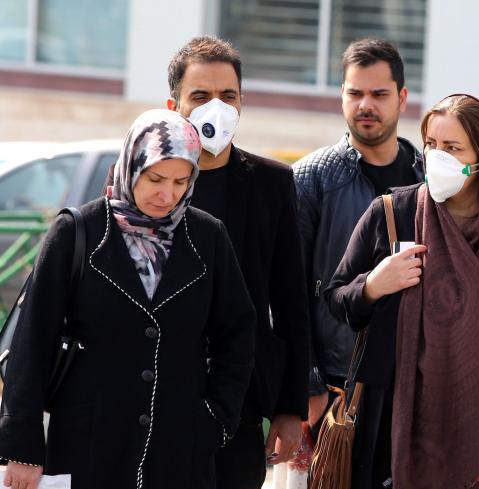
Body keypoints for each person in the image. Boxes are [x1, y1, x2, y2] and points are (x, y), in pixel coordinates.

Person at [0, 109, 255, 489]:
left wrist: (216, 419)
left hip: (178, 451)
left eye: (180, 181)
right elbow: (32, 340)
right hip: (86, 445)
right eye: (154, 178)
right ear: (132, 165)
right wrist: (21, 447)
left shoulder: (208, 238)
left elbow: (237, 335)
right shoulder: (77, 232)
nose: (167, 194)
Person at [324, 94, 479, 489]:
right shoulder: (392, 215)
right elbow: (337, 299)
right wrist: (372, 285)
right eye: (431, 145)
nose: (438, 157)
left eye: (452, 148)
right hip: (393, 429)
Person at [163, 36, 311, 488]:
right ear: (174, 106)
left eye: (228, 96)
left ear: (242, 102)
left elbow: (292, 297)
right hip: (157, 394)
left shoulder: (271, 183)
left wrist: (289, 409)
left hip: (240, 400)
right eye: (201, 96)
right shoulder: (146, 180)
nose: (217, 108)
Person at [294, 38, 423, 426]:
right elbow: (285, 295)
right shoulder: (309, 178)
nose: (366, 105)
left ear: (402, 98)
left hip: (411, 383)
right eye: (355, 93)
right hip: (333, 387)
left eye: (379, 94)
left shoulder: (427, 178)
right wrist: (308, 382)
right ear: (342, 96)